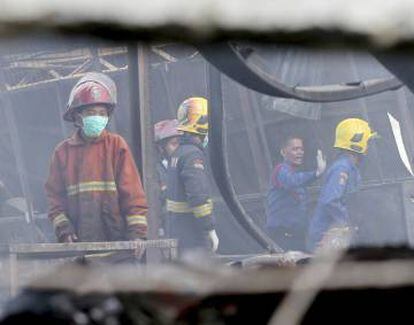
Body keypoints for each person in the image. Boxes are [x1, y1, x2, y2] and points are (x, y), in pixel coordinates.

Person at [45, 72, 148, 248]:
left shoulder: (116, 145)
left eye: (102, 113)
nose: (97, 117)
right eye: (91, 112)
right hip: (78, 247)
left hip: (116, 244)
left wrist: (137, 233)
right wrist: (64, 230)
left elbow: (132, 193)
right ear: (78, 117)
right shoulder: (62, 152)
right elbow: (55, 198)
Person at [307, 118, 376, 252]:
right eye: (367, 142)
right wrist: (346, 222)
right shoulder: (342, 168)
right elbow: (330, 200)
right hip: (325, 236)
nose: (369, 145)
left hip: (336, 234)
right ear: (356, 142)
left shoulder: (351, 167)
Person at [166, 97, 219, 253]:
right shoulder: (192, 155)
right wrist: (209, 228)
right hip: (193, 233)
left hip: (179, 230)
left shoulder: (178, 153)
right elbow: (198, 195)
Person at [266, 136, 326, 251]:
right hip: (282, 235)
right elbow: (291, 181)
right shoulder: (281, 170)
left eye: (301, 149)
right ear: (283, 152)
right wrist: (316, 173)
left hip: (295, 235)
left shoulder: (296, 174)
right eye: (295, 149)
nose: (300, 152)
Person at [153, 119, 182, 237]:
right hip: (167, 231)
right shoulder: (155, 172)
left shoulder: (189, 168)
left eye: (181, 143)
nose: (179, 148)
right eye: (174, 144)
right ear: (161, 148)